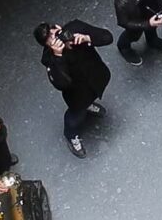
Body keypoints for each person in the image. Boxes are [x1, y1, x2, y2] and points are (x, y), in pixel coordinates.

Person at [34, 19, 113, 156]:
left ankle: (89, 104)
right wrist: (58, 57)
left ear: (59, 27)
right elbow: (61, 84)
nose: (58, 39)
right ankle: (71, 135)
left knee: (92, 96)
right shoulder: (49, 58)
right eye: (51, 40)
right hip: (77, 93)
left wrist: (87, 38)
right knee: (76, 116)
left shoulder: (77, 27)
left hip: (96, 77)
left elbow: (107, 37)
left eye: (57, 33)